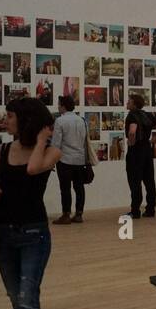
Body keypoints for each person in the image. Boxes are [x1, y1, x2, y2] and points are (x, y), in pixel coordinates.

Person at [0, 97, 61, 309]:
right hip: (2, 232)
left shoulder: (52, 152)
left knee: (26, 295)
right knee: (14, 296)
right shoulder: (1, 150)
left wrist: (41, 139)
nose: (5, 121)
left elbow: (32, 170)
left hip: (34, 233)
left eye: (9, 116)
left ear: (25, 119)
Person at [50, 95, 89, 224]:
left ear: (63, 106)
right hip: (79, 159)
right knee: (79, 187)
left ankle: (66, 214)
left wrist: (51, 160)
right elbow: (84, 141)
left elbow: (56, 143)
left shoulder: (60, 121)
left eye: (59, 104)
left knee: (65, 188)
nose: (58, 106)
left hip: (65, 159)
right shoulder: (82, 120)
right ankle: (79, 214)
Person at [125, 92, 156, 218]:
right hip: (147, 150)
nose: (127, 103)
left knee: (135, 181)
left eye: (129, 101)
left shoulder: (132, 115)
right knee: (149, 181)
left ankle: (135, 211)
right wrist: (153, 140)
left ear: (134, 104)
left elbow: (132, 131)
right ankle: (150, 209)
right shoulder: (148, 115)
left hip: (136, 152)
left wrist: (131, 142)